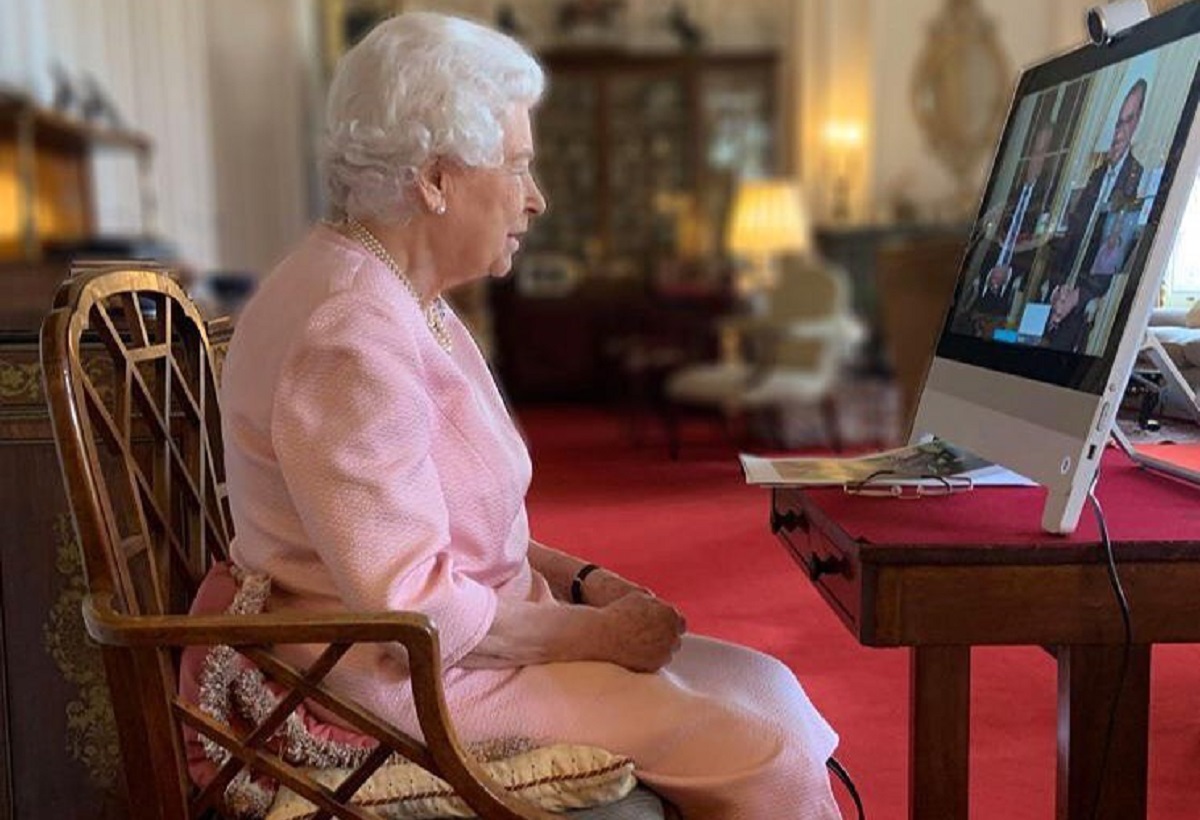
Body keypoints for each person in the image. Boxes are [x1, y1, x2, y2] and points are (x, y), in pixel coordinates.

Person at [210, 12, 841, 819]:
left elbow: (459, 530)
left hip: (471, 646)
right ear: (435, 178)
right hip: (407, 683)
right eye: (516, 167)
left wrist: (585, 581)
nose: (535, 199)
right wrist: (602, 637)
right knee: (768, 750)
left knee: (768, 684)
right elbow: (417, 612)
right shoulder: (349, 334)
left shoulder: (399, 296)